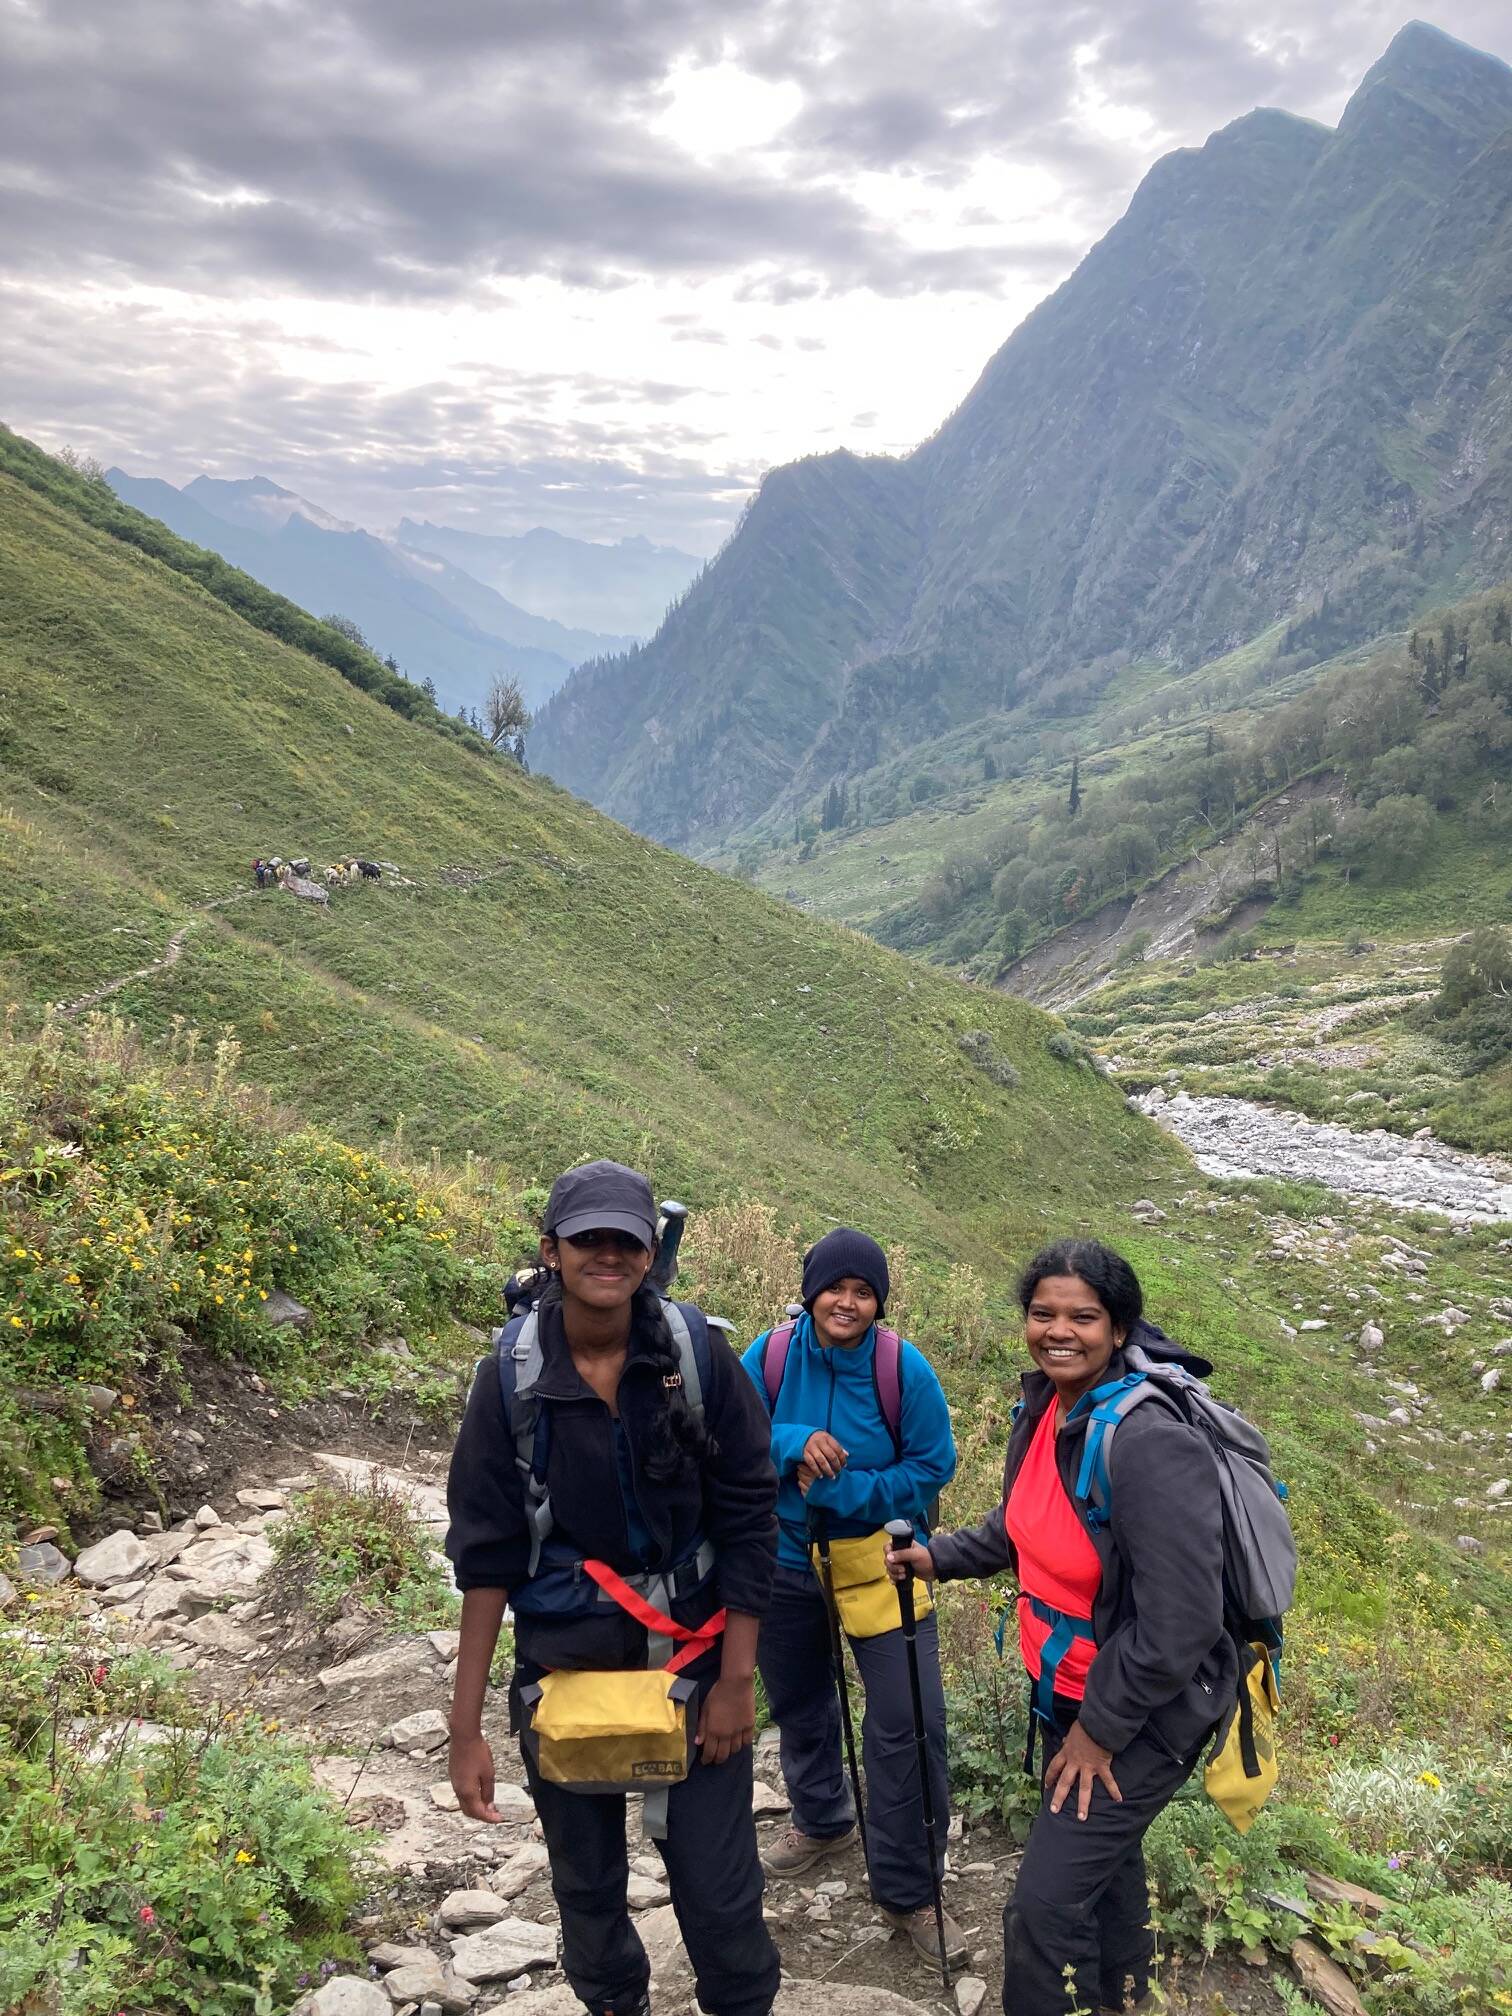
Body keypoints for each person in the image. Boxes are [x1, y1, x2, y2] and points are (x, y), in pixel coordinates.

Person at [446, 1161, 782, 2016]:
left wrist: (737, 1683)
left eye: (625, 1238)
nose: (607, 1253)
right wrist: (467, 1729)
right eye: (587, 1237)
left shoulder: (700, 1357)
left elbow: (749, 1515)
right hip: (568, 1674)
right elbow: (487, 1557)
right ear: (551, 1251)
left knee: (719, 1892)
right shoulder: (511, 1380)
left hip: (699, 1668)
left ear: (647, 1252)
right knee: (587, 1891)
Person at [887, 1239, 1236, 2016]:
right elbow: (1024, 1528)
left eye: (1084, 1316)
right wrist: (934, 1558)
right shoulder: (1048, 1408)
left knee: (1041, 1911)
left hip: (1144, 1710)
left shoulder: (1146, 1441)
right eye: (1043, 1313)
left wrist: (1101, 1733)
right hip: (1073, 1692)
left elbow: (1181, 1624)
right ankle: (1125, 1997)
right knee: (1106, 1867)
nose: (1059, 1331)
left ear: (1119, 1330)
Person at [741, 1228, 966, 1970]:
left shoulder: (904, 1369)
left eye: (863, 1291)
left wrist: (852, 1490)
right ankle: (822, 1819)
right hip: (784, 1557)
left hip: (881, 1565)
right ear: (811, 1293)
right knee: (802, 1701)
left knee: (908, 1722)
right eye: (835, 1288)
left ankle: (912, 1891)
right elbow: (725, 1434)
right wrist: (790, 1442)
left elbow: (934, 1465)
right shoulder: (770, 1357)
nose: (848, 1301)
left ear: (879, 1302)